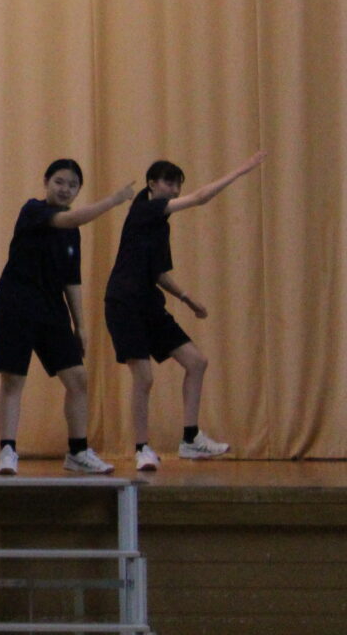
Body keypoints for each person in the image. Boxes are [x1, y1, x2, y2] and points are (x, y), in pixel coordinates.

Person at [105, 152, 266, 471]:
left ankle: (190, 439)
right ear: (152, 184)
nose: (176, 190)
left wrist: (189, 299)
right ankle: (141, 449)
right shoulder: (144, 209)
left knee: (196, 361)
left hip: (149, 302)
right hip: (124, 303)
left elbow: (159, 273)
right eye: (169, 183)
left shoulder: (159, 225)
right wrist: (238, 171)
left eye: (179, 184)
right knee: (144, 377)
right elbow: (201, 198)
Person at [0, 159, 133, 475]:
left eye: (72, 185)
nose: (65, 189)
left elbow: (72, 280)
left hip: (51, 310)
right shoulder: (33, 211)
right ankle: (7, 451)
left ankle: (78, 452)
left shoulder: (73, 235)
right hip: (15, 304)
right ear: (46, 182)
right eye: (59, 181)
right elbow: (69, 220)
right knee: (13, 379)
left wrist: (80, 325)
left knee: (78, 379)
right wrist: (113, 200)